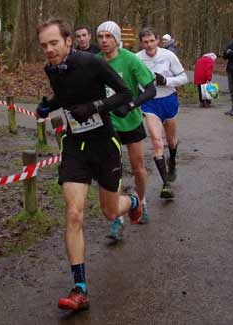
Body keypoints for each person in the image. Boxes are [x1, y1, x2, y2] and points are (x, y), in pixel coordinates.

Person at [36, 18, 143, 311]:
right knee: (74, 213)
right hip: (74, 146)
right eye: (44, 45)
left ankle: (132, 201)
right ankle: (79, 288)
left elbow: (125, 94)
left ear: (69, 41)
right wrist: (50, 105)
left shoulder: (90, 63)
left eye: (54, 43)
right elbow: (67, 95)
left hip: (104, 145)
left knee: (110, 211)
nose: (49, 50)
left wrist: (94, 107)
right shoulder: (51, 69)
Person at [96, 21, 156, 239]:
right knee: (113, 170)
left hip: (130, 121)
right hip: (107, 123)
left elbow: (151, 89)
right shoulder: (95, 62)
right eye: (100, 36)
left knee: (137, 167)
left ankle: (142, 202)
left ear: (116, 38)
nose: (103, 40)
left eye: (108, 36)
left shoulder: (130, 59)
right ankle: (117, 220)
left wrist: (130, 105)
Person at [137, 28, 188, 199]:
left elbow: (183, 78)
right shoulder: (137, 58)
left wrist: (166, 81)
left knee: (171, 141)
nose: (149, 45)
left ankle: (172, 160)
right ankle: (166, 184)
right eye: (145, 42)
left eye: (152, 40)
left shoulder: (168, 56)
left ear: (157, 40)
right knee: (157, 142)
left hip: (168, 100)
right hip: (150, 103)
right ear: (141, 43)